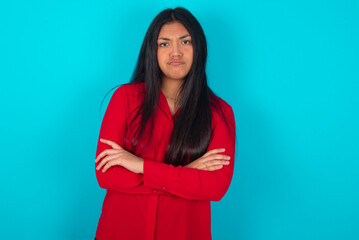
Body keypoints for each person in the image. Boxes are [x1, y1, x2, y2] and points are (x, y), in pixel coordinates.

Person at [94, 7, 236, 240]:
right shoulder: (125, 99)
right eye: (164, 44)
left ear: (199, 48)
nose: (176, 52)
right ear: (152, 50)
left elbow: (215, 187)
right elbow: (107, 175)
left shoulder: (219, 112)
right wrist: (187, 173)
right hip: (120, 232)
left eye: (185, 42)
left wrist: (140, 165)